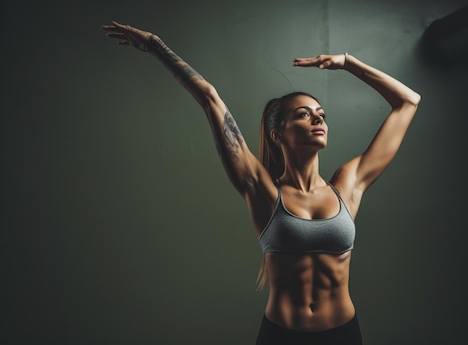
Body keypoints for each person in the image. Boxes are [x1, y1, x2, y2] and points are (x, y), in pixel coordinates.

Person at [102, 21, 420, 345]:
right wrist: (156, 46)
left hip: (343, 334)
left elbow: (408, 101)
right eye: (303, 114)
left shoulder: (348, 186)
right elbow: (209, 97)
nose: (318, 118)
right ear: (277, 134)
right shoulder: (262, 191)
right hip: (281, 336)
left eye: (321, 113)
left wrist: (348, 63)